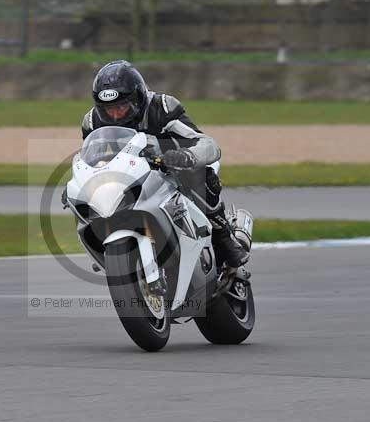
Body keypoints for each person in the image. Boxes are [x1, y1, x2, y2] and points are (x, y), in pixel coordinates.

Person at [81, 60, 248, 268]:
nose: (115, 114)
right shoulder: (92, 122)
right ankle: (109, 246)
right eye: (108, 109)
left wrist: (186, 156)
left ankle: (223, 236)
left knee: (198, 173)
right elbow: (92, 161)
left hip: (170, 171)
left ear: (138, 98)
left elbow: (207, 144)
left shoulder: (162, 107)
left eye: (122, 107)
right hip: (130, 177)